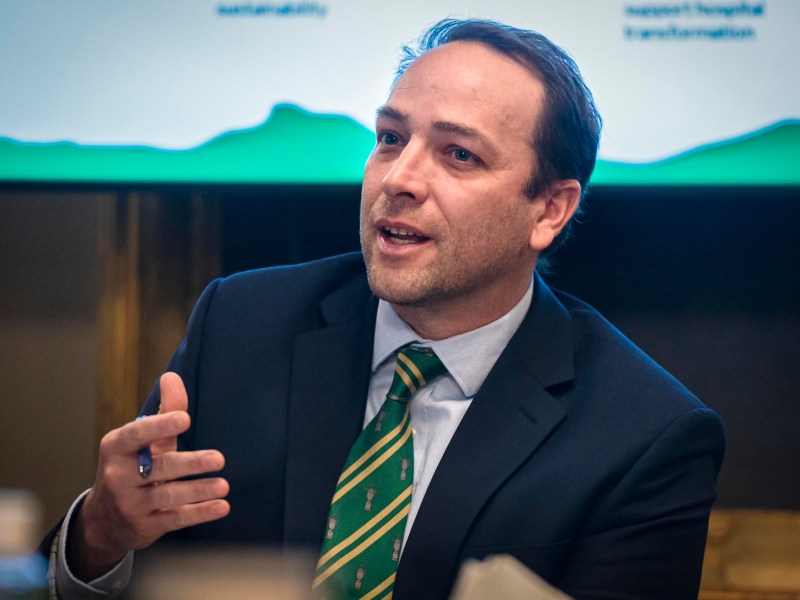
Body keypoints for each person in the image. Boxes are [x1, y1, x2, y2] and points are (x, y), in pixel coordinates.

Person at [42, 18, 725, 600]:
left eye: (458, 154)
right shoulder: (241, 325)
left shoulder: (646, 437)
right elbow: (119, 545)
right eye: (392, 138)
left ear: (548, 209)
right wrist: (100, 533)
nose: (398, 179)